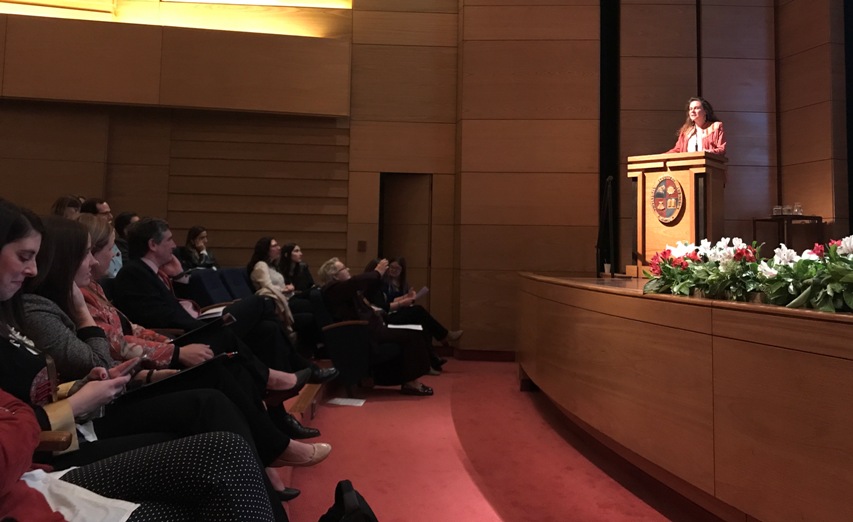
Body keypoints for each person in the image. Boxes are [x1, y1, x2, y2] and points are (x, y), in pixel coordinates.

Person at [1, 388, 285, 521]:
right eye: (25, 262)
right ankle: (276, 451)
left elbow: (16, 407)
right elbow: (22, 418)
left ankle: (276, 447)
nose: (32, 271)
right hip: (28, 489)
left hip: (32, 480)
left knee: (221, 447)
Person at [318, 257, 433, 396]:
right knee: (413, 337)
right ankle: (411, 382)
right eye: (343, 268)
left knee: (413, 333)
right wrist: (377, 272)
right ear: (334, 275)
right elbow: (356, 282)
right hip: (362, 332)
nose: (348, 270)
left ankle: (407, 380)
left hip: (369, 329)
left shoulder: (342, 289)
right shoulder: (333, 289)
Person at [363, 257, 460, 373]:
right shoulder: (374, 285)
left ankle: (431, 360)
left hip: (386, 316)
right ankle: (442, 337)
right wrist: (402, 303)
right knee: (417, 312)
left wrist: (406, 299)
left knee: (420, 323)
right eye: (387, 268)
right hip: (383, 319)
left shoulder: (382, 283)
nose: (389, 271)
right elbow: (384, 306)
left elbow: (386, 303)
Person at [247, 237, 323, 353]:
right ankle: (315, 348)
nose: (279, 248)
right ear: (265, 249)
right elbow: (267, 288)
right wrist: (284, 289)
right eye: (274, 245)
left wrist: (285, 289)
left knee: (314, 302)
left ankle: (315, 347)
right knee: (312, 308)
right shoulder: (261, 265)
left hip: (285, 300)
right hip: (278, 304)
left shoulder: (272, 265)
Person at [80, 197, 122, 278]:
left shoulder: (111, 238)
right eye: (105, 213)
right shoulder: (90, 240)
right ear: (91, 216)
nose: (111, 216)